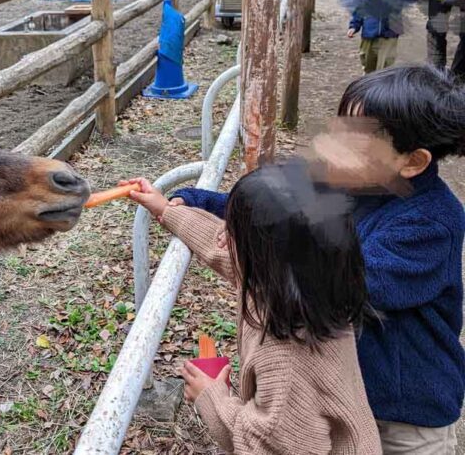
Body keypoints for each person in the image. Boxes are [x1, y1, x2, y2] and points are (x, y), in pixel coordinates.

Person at [171, 65, 465, 454]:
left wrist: (256, 252)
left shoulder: (431, 223)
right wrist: (202, 204)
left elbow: (346, 282)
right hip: (344, 388)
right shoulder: (350, 180)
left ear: (411, 162)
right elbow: (273, 212)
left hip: (402, 410)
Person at [124, 162, 381, 454]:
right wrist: (166, 210)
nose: (222, 236)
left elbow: (267, 447)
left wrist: (213, 398)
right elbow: (221, 250)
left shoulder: (288, 357)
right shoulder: (309, 290)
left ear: (261, 255)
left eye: (230, 231)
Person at [345, 0, 412, 73]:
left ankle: (382, 87)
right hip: (369, 32)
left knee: (386, 65)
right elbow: (360, 9)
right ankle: (368, 84)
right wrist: (354, 25)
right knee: (368, 63)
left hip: (389, 33)